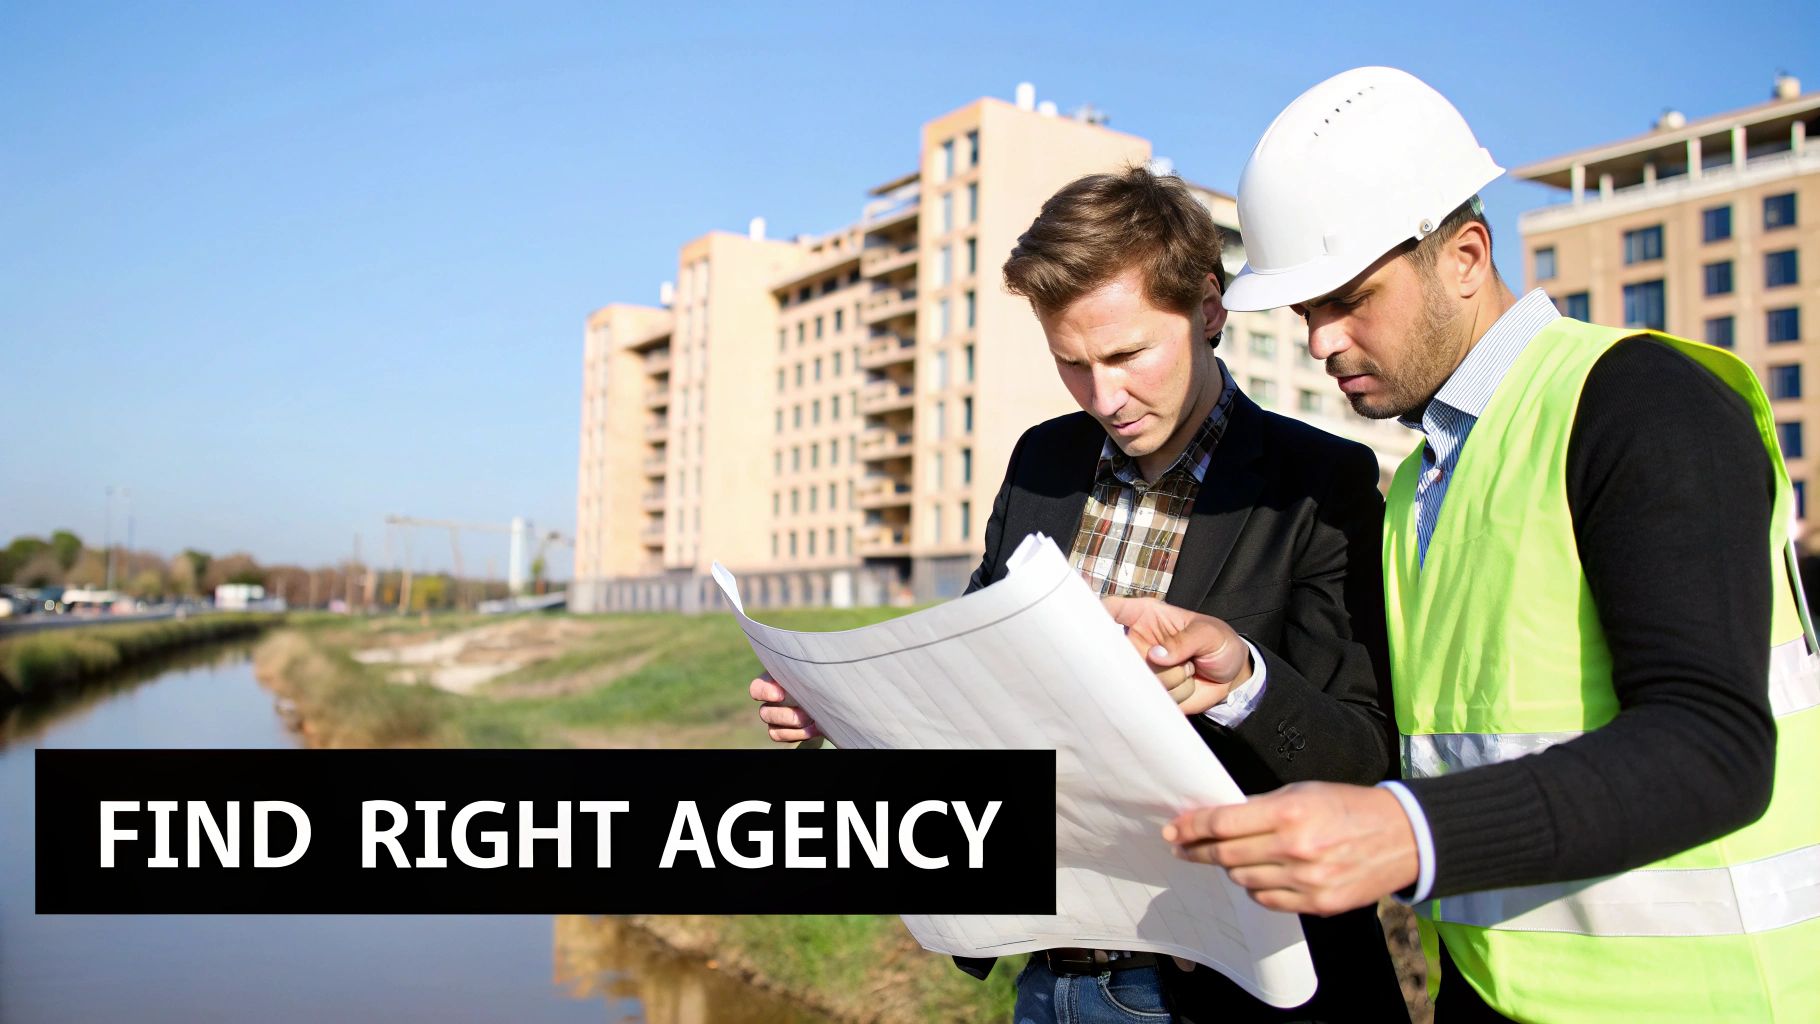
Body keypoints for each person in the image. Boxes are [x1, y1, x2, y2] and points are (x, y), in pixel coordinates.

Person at [1163, 66, 1820, 1022]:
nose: (1320, 342)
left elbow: (1713, 745)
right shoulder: (1422, 490)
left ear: (1466, 255)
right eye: (1306, 311)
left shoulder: (1642, 404)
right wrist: (1246, 682)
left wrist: (1408, 833)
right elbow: (1432, 751)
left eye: (1348, 297)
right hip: (1493, 993)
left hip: (1701, 1000)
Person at [752, 167, 1409, 1023]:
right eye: (1072, 363)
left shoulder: (1321, 483)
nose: (1105, 398)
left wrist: (1245, 680)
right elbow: (969, 692)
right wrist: (840, 713)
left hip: (1226, 992)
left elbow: (1363, 758)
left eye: (1129, 355)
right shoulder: (1042, 465)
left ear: (1209, 309)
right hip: (1048, 978)